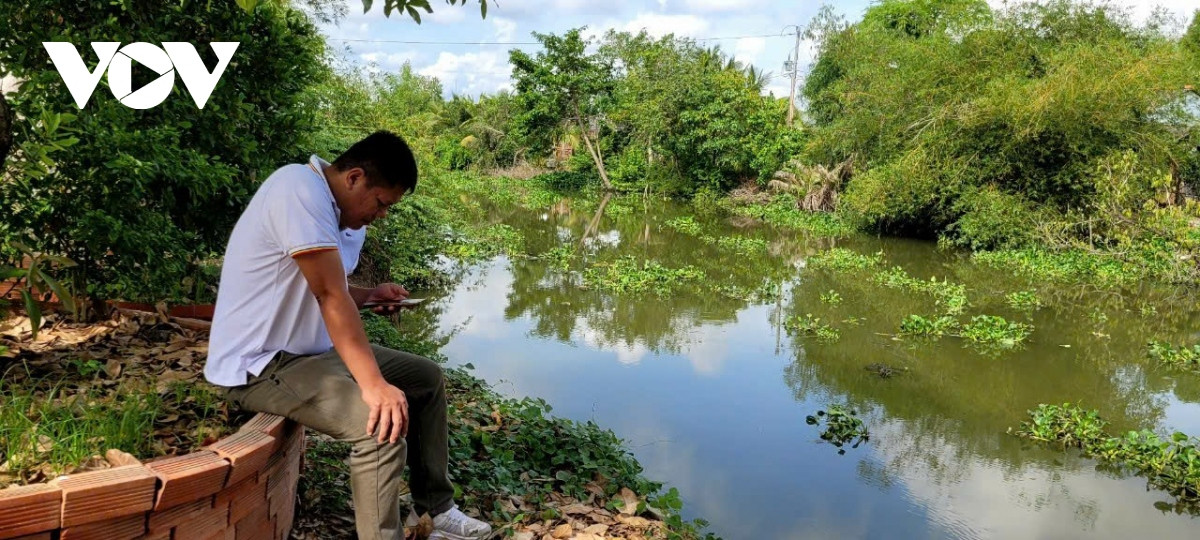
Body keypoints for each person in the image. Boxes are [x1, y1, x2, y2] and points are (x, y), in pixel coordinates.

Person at [204, 131, 493, 540]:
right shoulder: (297, 189)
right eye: (381, 204)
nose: (382, 216)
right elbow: (328, 293)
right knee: (379, 426)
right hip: (259, 364)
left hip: (312, 353)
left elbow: (323, 289)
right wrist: (374, 385)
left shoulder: (347, 218)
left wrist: (368, 295)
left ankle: (436, 509)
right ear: (354, 177)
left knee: (426, 378)